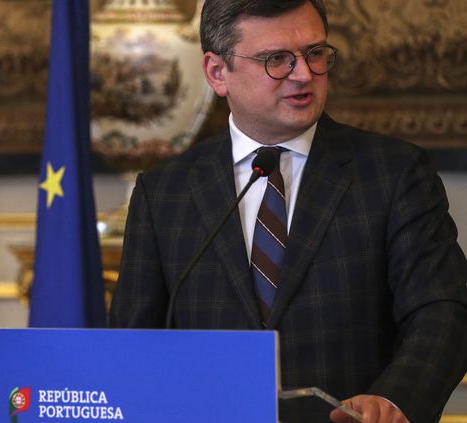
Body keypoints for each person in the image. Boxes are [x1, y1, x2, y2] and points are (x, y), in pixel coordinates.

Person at [108, 0, 467, 422]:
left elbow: (443, 310)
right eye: (276, 59)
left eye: (315, 53)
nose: (303, 74)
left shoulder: (394, 173)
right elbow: (131, 341)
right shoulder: (165, 191)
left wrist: (394, 399)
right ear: (217, 72)